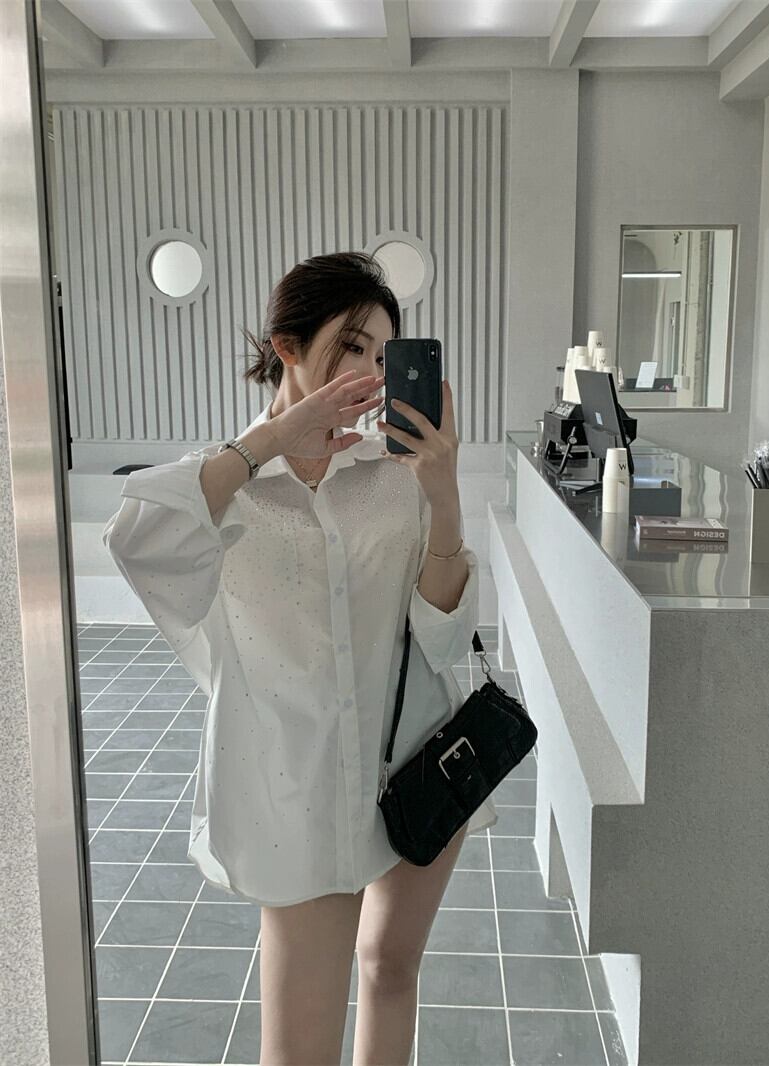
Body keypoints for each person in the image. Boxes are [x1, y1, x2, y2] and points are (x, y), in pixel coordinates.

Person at [103, 251, 497, 1065]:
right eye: (352, 345)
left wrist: (445, 494)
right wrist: (274, 439)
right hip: (297, 793)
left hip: (422, 763)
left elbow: (443, 640)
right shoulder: (227, 484)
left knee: (391, 971)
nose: (372, 372)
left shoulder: (396, 477)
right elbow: (139, 541)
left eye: (384, 354)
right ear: (287, 345)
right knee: (298, 1051)